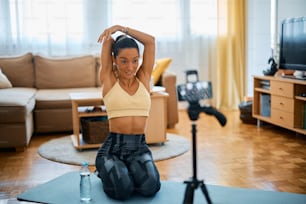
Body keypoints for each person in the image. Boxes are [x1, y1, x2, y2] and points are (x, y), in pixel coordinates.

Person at [95, 25, 161, 200]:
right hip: (112, 149)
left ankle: (127, 170)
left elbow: (150, 41)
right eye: (123, 60)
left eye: (135, 60)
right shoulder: (108, 79)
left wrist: (121, 28)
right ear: (114, 60)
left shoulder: (144, 77)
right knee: (123, 190)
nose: (130, 67)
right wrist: (112, 33)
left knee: (151, 186)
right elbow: (108, 41)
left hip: (139, 148)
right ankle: (105, 169)